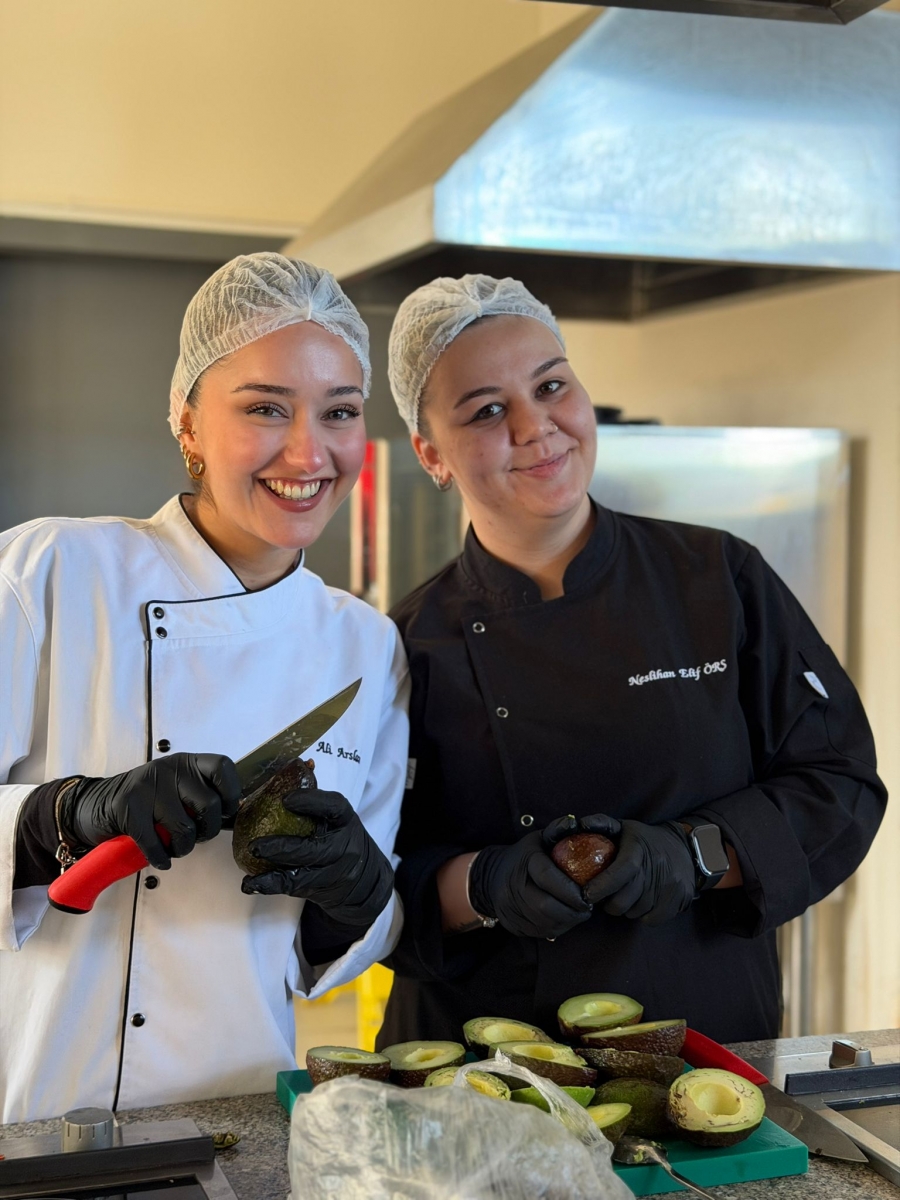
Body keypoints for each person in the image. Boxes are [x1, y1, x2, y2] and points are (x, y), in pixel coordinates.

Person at [376, 273, 886, 1050]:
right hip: (482, 1066)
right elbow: (366, 884)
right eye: (486, 410)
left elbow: (838, 784)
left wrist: (692, 856)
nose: (536, 426)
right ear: (430, 454)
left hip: (703, 1045)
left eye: (551, 386)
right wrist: (486, 885)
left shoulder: (718, 578)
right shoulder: (404, 644)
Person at [0, 253, 409, 1123]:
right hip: (37, 1110)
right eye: (265, 408)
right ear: (186, 420)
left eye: (339, 411)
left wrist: (357, 894)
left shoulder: (365, 645)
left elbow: (335, 952)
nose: (309, 452)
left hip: (246, 1112)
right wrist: (65, 815)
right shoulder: (50, 573)